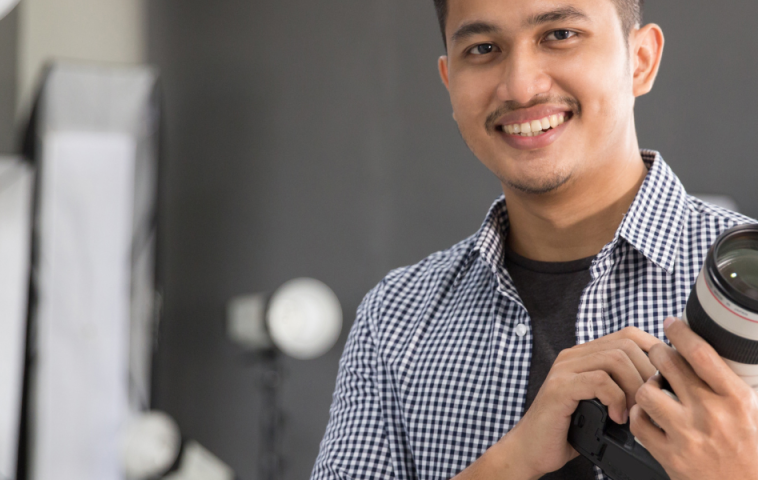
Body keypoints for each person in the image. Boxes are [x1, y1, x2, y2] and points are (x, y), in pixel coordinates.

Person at [311, 0, 758, 478]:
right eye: (483, 48)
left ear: (641, 60)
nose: (521, 86)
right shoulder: (394, 318)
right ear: (450, 84)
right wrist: (512, 462)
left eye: (560, 35)